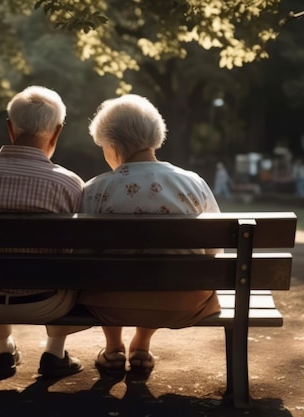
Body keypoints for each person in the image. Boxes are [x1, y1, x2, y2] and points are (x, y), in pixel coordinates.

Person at [0, 85, 87, 379]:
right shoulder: (70, 184)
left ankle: (2, 352)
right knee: (77, 268)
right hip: (46, 302)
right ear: (57, 133)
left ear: (10, 128)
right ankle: (55, 353)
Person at [78, 94, 222, 378]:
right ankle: (141, 346)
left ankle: (113, 348)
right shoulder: (193, 183)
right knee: (165, 268)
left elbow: (82, 255)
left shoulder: (96, 189)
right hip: (184, 303)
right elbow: (214, 249)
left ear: (112, 145)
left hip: (108, 304)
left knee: (104, 270)